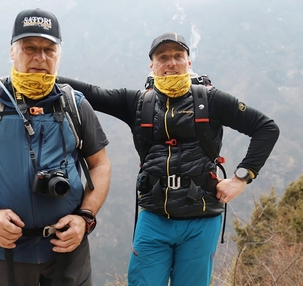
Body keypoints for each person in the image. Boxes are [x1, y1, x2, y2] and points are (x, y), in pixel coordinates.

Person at [57, 32, 280, 286]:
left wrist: (242, 177)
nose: (171, 63)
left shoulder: (211, 100)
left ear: (189, 61)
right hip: (153, 217)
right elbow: (91, 93)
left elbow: (266, 128)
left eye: (178, 56)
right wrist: (39, 77)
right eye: (163, 57)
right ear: (152, 65)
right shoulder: (138, 103)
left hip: (201, 217)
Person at [0, 8, 111, 286]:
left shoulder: (75, 105)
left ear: (59, 54)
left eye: (49, 49)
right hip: (6, 253)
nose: (40, 58)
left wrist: (85, 218)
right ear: (12, 51)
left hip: (67, 253)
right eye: (29, 48)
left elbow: (100, 164)